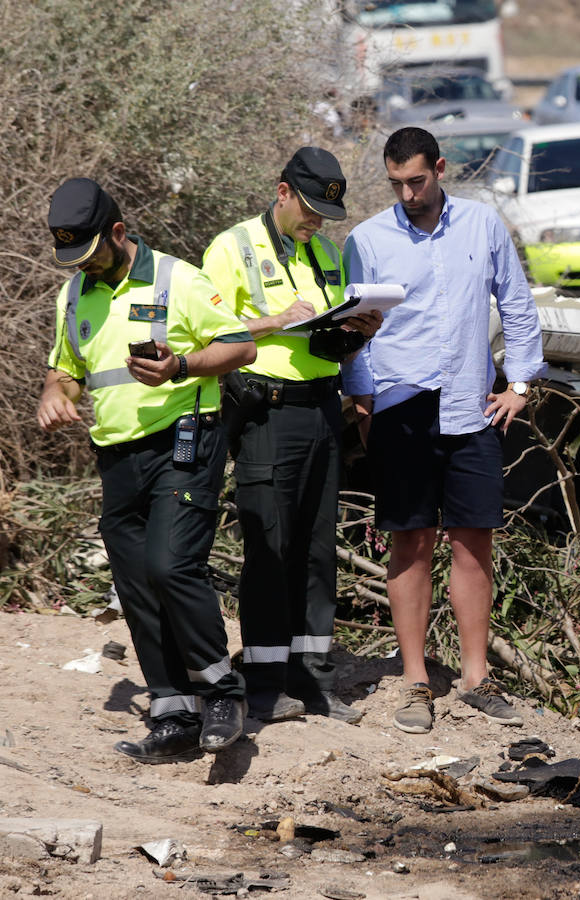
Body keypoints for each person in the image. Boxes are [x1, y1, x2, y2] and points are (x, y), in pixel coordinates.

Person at [37, 178, 256, 761]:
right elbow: (66, 368)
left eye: (91, 253)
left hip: (185, 441)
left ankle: (223, 693)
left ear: (118, 231)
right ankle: (172, 711)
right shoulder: (73, 295)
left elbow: (240, 347)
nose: (84, 267)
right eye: (72, 258)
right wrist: (54, 394)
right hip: (117, 456)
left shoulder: (177, 279)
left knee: (171, 564)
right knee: (135, 581)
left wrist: (182, 364)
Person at [342, 127, 546, 734]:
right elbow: (354, 326)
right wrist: (361, 400)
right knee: (409, 542)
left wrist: (521, 384)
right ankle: (414, 682)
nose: (407, 193)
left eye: (417, 180)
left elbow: (516, 302)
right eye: (397, 183)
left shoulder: (483, 226)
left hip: (472, 407)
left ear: (440, 169)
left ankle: (477, 677)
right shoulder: (367, 238)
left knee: (472, 540)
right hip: (401, 407)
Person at [202, 147, 381, 724]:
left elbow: (324, 339)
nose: (316, 223)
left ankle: (314, 682)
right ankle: (262, 684)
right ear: (281, 193)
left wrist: (358, 330)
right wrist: (272, 321)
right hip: (266, 414)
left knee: (316, 551)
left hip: (322, 410)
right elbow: (201, 330)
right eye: (307, 210)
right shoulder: (232, 247)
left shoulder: (325, 253)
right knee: (270, 549)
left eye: (325, 215)